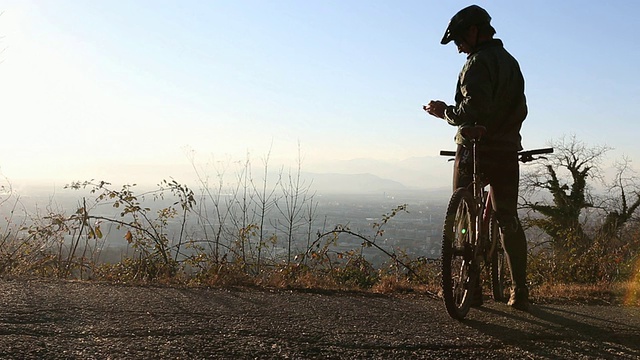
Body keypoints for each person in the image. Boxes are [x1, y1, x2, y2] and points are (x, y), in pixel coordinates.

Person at [423, 5, 530, 311]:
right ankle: (519, 290)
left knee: (464, 212)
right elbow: (520, 108)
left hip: (475, 148)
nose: (458, 47)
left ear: (473, 31)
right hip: (507, 149)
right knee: (508, 217)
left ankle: (474, 286)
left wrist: (444, 111)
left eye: (459, 39)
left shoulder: (477, 63)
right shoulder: (511, 63)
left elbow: (471, 108)